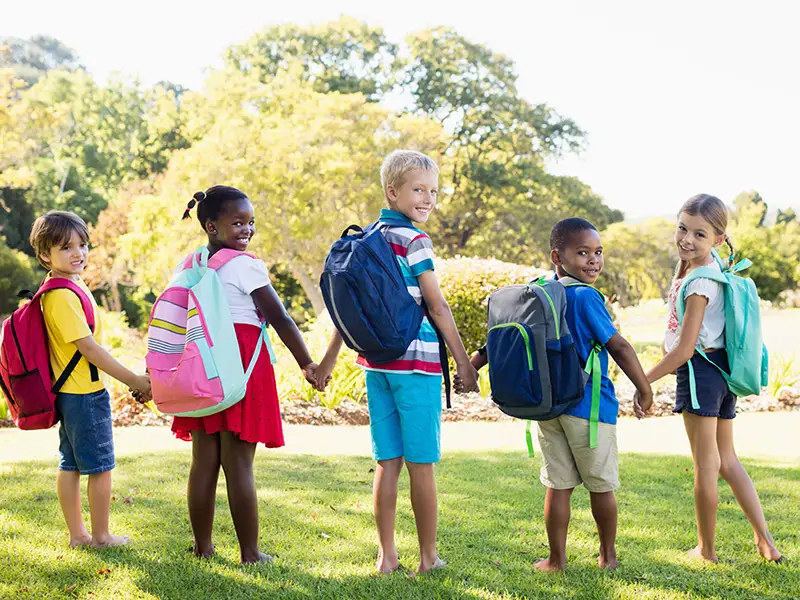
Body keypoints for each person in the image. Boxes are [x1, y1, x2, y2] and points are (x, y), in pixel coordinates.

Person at [314, 150, 480, 574]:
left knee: (387, 462)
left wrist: (329, 362)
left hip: (376, 365)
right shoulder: (414, 240)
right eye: (419, 189)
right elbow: (437, 306)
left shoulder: (365, 240)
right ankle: (427, 558)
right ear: (393, 190)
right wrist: (463, 363)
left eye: (434, 191)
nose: (428, 199)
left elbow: (348, 311)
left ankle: (386, 556)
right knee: (420, 463)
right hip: (418, 364)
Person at [470, 217, 653, 571]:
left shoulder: (538, 293)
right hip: (589, 407)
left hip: (548, 405)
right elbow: (618, 346)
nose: (593, 260)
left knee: (558, 484)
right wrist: (644, 389)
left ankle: (556, 559)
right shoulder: (585, 297)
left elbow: (496, 342)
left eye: (598, 252)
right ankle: (607, 557)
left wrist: (471, 366)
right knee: (600, 485)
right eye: (582, 252)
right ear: (558, 256)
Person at [173, 185, 321, 564]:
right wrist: (307, 362)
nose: (247, 230)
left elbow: (174, 320)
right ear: (210, 225)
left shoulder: (189, 265)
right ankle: (250, 553)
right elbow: (279, 317)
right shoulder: (245, 265)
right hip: (240, 364)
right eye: (237, 222)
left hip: (202, 366)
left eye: (251, 222)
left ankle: (203, 547)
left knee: (203, 460)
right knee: (238, 463)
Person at [638, 194, 781, 563]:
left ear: (717, 240)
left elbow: (684, 350)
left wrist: (644, 380)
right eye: (682, 228)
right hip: (720, 370)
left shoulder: (700, 283)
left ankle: (706, 550)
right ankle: (765, 542)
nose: (687, 239)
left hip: (701, 372)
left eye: (699, 234)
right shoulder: (711, 267)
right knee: (728, 461)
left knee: (707, 465)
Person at [29, 211, 152, 549]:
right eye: (66, 247)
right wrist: (135, 380)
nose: (78, 253)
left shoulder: (66, 287)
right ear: (44, 255)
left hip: (71, 392)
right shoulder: (62, 296)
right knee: (99, 467)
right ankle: (99, 536)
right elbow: (90, 350)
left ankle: (78, 536)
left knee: (70, 463)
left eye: (82, 245)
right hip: (84, 394)